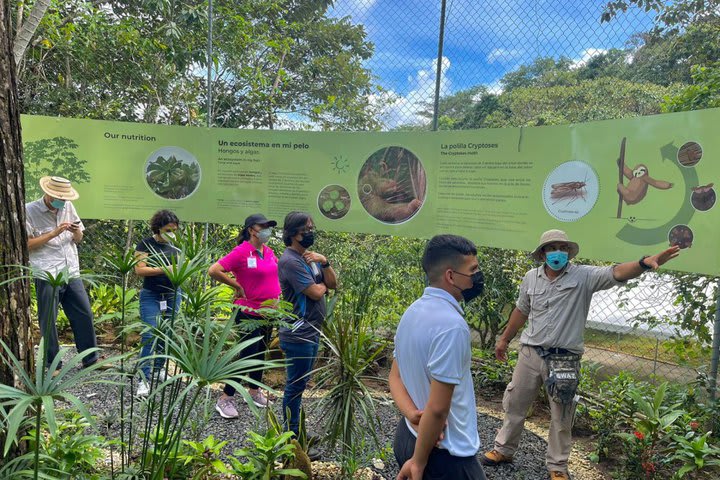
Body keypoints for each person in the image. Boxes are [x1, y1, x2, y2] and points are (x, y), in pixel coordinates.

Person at [481, 229, 680, 480]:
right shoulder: (531, 278)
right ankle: (504, 450)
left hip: (564, 358)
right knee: (514, 404)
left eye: (562, 247)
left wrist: (644, 263)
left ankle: (557, 466)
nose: (558, 252)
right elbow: (521, 310)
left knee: (561, 415)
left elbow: (616, 272)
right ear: (542, 253)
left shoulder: (584, 276)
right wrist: (504, 338)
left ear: (568, 252)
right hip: (530, 353)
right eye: (552, 247)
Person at [390, 234, 487, 480]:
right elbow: (437, 409)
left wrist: (412, 414)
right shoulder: (452, 327)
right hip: (443, 456)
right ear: (451, 276)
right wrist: (418, 463)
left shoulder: (412, 312)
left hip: (407, 436)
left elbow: (395, 376)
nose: (478, 276)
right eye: (473, 270)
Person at [209, 213, 281, 418]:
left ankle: (254, 391)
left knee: (260, 352)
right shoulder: (241, 252)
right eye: (263, 226)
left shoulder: (268, 251)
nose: (267, 230)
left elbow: (274, 274)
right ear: (251, 229)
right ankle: (225, 398)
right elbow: (214, 270)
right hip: (247, 310)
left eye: (269, 226)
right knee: (247, 353)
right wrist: (236, 285)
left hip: (269, 312)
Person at [25, 176, 100, 370]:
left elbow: (79, 237)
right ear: (48, 193)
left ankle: (90, 360)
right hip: (47, 271)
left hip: (70, 270)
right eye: (59, 197)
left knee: (84, 313)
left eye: (65, 198)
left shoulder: (68, 207)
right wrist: (53, 233)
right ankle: (53, 364)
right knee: (48, 319)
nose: (62, 201)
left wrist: (75, 232)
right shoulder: (29, 210)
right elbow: (27, 245)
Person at [277, 211, 337, 441]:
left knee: (300, 384)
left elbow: (333, 283)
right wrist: (321, 286)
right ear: (292, 234)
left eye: (311, 228)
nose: (310, 233)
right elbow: (314, 292)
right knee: (294, 386)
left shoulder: (309, 258)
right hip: (297, 333)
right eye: (306, 230)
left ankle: (297, 429)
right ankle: (291, 436)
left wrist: (325, 262)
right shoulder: (290, 261)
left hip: (312, 331)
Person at [134, 209, 181, 397]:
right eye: (168, 229)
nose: (172, 233)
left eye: (175, 230)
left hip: (173, 293)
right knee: (150, 334)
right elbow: (140, 270)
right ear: (158, 228)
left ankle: (159, 369)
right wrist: (165, 269)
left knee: (167, 332)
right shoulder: (145, 244)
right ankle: (143, 380)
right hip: (151, 294)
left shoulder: (176, 246)